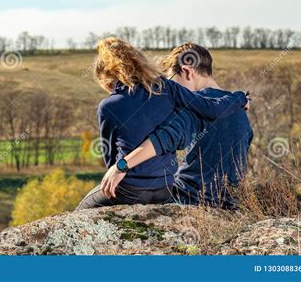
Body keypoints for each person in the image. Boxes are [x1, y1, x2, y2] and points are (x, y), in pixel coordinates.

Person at [76, 38, 249, 210]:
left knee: (82, 212)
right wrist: (240, 97)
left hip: (188, 198)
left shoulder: (189, 111)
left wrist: (121, 165)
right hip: (230, 203)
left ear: (187, 72)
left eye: (172, 79)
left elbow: (160, 141)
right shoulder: (240, 112)